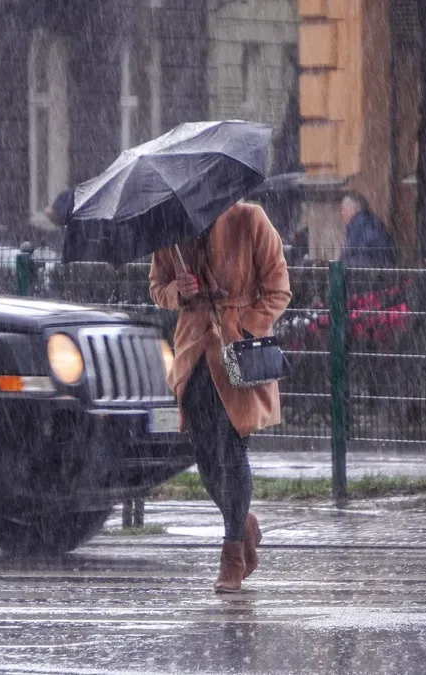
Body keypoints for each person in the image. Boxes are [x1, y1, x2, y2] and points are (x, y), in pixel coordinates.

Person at [149, 201, 292, 593]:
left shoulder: (250, 219)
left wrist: (245, 326)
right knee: (206, 458)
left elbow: (278, 288)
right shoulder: (170, 231)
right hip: (193, 355)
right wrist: (177, 291)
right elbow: (157, 288)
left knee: (231, 450)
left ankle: (231, 552)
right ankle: (243, 522)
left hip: (237, 356)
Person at [339, 190, 397, 266]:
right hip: (381, 270)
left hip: (369, 272)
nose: (342, 213)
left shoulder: (359, 226)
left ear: (352, 210)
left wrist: (340, 266)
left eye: (343, 209)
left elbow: (349, 254)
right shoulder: (369, 221)